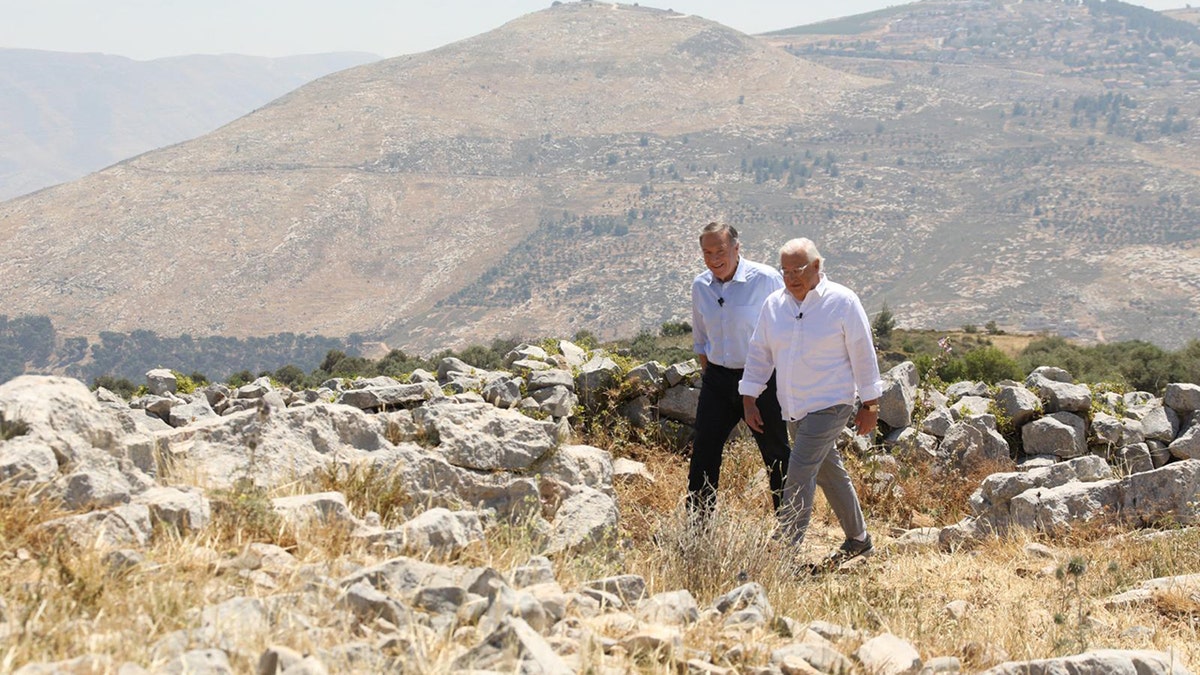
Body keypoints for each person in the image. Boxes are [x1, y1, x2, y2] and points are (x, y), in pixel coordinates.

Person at [739, 237, 883, 568]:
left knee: (800, 470)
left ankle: (780, 555)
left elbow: (863, 352)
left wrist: (870, 405)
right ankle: (859, 540)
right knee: (829, 473)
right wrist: (749, 397)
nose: (791, 277)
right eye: (785, 270)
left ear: (817, 266)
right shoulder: (774, 305)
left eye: (798, 269)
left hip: (832, 403)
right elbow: (759, 352)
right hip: (794, 407)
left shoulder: (843, 302)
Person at [688, 222, 790, 522]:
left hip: (761, 378)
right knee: (703, 453)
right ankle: (697, 528)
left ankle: (789, 530)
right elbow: (701, 340)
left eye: (720, 250)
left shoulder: (766, 279)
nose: (714, 258)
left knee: (776, 453)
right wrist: (711, 377)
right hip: (718, 379)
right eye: (707, 252)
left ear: (736, 247)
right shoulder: (700, 286)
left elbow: (787, 326)